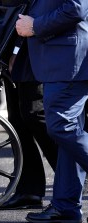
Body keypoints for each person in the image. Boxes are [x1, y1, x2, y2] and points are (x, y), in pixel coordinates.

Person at [14, 1, 88, 222]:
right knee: (68, 134)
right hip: (59, 59)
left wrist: (36, 25)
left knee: (61, 127)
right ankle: (65, 206)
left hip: (68, 61)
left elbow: (76, 8)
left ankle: (65, 205)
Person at [0, 36, 58, 210]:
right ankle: (29, 191)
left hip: (35, 51)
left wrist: (16, 50)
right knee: (17, 122)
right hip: (11, 51)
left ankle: (73, 177)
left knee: (35, 116)